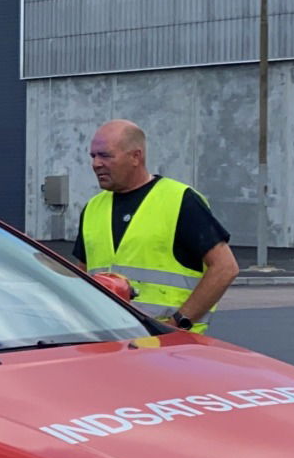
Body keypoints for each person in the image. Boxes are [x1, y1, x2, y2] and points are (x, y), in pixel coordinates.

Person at [72, 120, 238, 333]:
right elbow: (83, 274)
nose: (96, 164)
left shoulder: (179, 200)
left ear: (135, 156)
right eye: (93, 156)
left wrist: (177, 324)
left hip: (169, 350)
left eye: (105, 155)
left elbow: (225, 268)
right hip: (110, 340)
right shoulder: (93, 208)